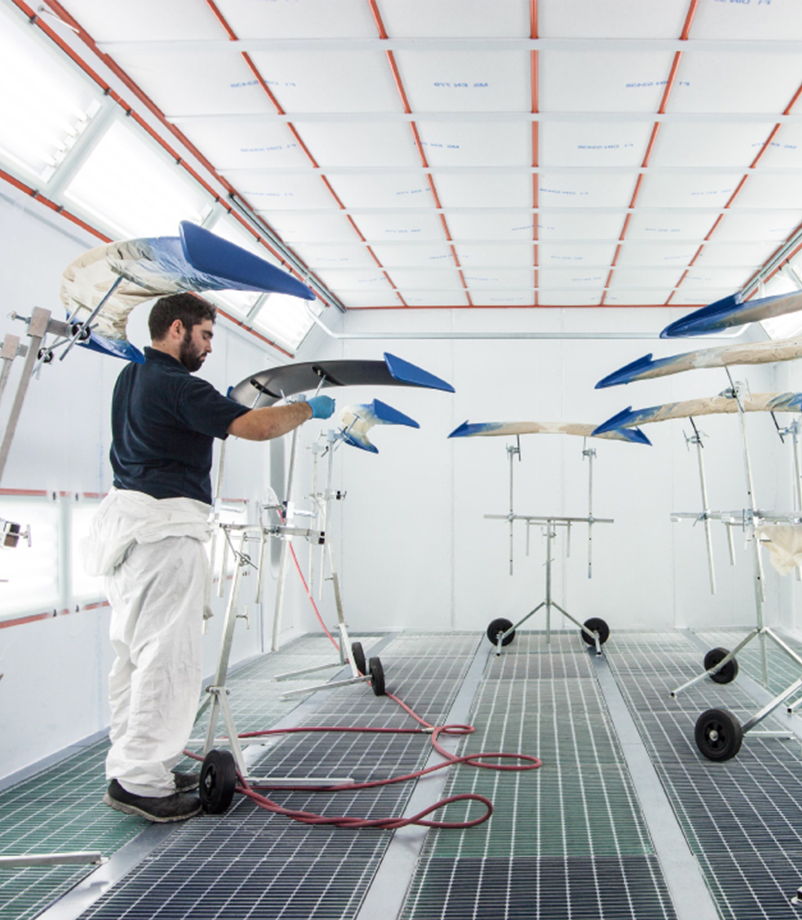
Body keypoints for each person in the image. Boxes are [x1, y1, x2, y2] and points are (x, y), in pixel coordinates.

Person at [83, 292, 334, 823]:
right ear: (178, 329)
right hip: (165, 537)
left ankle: (133, 765)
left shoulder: (131, 378)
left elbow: (179, 422)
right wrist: (309, 407)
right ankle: (142, 783)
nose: (210, 345)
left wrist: (212, 405)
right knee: (168, 661)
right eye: (206, 334)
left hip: (129, 535)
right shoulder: (179, 386)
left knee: (132, 656)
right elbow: (255, 426)